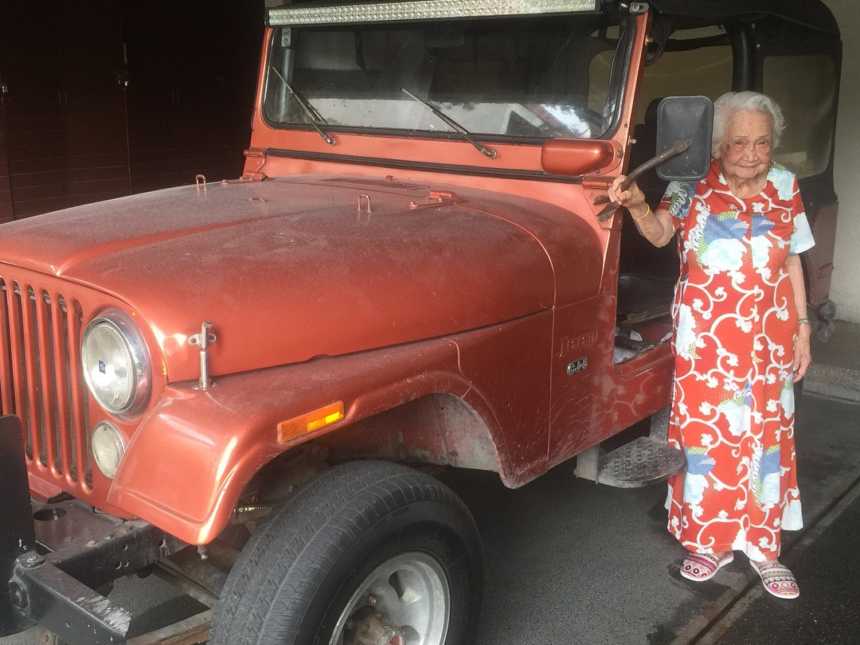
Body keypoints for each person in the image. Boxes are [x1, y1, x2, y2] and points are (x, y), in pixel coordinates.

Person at [608, 91, 814, 600]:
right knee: (707, 441)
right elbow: (658, 236)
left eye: (762, 143)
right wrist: (636, 203)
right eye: (739, 141)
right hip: (708, 343)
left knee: (766, 441)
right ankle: (709, 544)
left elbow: (792, 260)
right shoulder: (688, 185)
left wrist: (805, 327)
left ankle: (765, 549)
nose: (750, 152)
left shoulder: (787, 187)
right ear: (719, 143)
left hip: (771, 339)